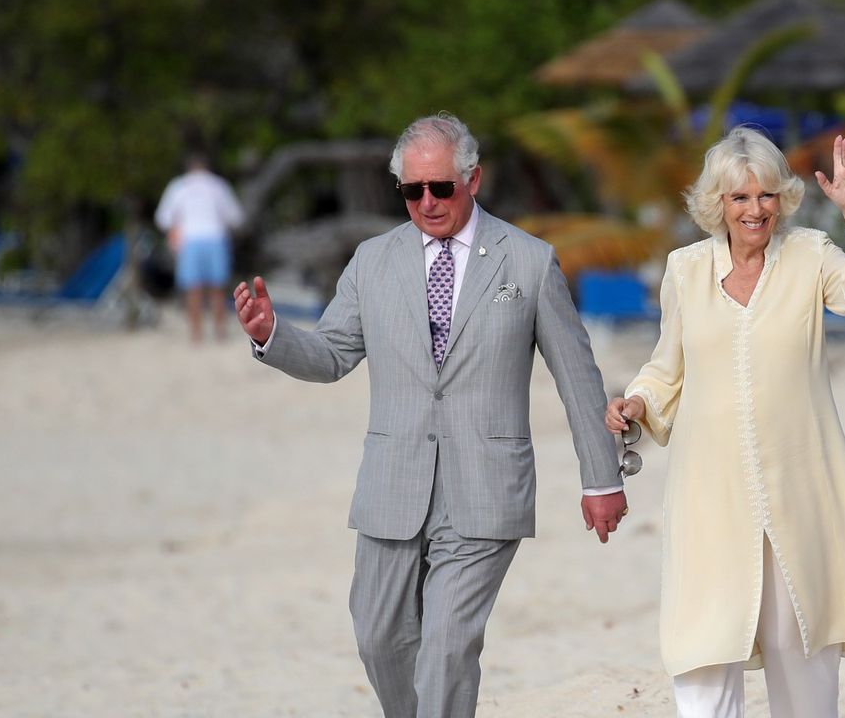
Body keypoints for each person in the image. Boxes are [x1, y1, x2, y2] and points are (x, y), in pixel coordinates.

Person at [232, 112, 628, 718]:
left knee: (446, 648)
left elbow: (577, 376)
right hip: (393, 485)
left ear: (473, 179)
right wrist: (274, 335)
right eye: (412, 190)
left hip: (486, 489)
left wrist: (602, 479)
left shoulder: (528, 261)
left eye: (440, 187)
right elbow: (333, 355)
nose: (426, 202)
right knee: (379, 639)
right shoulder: (371, 261)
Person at [606, 127, 845, 717]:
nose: (756, 210)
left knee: (799, 646)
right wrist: (638, 403)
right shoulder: (685, 269)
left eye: (766, 196)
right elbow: (665, 367)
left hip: (798, 490)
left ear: (783, 199)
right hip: (709, 492)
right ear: (716, 204)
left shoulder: (810, 255)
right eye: (740, 198)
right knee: (703, 645)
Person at [155, 152, 245, 343]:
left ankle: (196, 334)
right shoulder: (218, 185)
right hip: (215, 237)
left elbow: (163, 219)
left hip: (189, 240)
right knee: (217, 288)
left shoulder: (178, 186)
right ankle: (220, 332)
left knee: (192, 288)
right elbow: (235, 218)